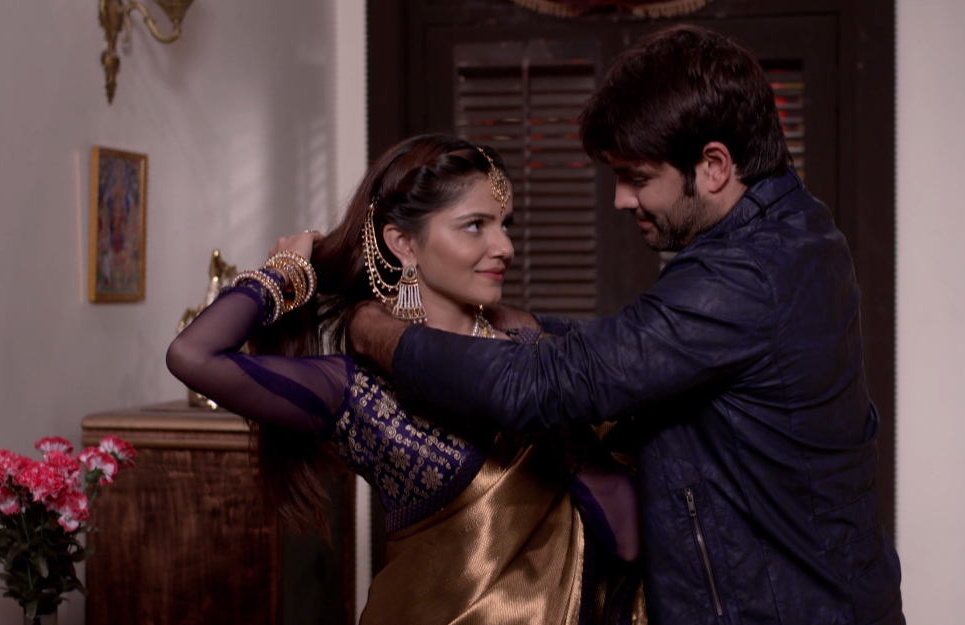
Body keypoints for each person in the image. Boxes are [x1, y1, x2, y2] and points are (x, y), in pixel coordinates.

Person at [349, 25, 904, 625]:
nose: (620, 200)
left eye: (637, 177)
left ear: (713, 166)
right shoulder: (796, 232)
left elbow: (535, 387)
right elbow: (649, 342)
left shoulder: (746, 275)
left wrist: (373, 330)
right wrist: (527, 322)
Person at [166, 134, 643, 625]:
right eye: (475, 226)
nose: (505, 247)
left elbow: (625, 537)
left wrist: (555, 423)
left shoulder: (529, 349)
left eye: (505, 225)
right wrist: (285, 273)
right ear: (404, 243)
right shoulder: (357, 391)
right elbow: (193, 356)